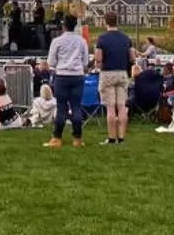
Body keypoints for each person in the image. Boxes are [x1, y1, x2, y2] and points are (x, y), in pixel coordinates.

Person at [44, 16, 89, 149]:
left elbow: (51, 62)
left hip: (62, 76)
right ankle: (77, 138)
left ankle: (57, 137)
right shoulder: (81, 41)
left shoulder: (57, 41)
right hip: (77, 76)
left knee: (61, 107)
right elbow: (85, 62)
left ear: (63, 25)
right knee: (76, 107)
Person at [93, 11, 134, 146]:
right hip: (122, 73)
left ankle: (111, 137)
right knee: (121, 106)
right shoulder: (126, 38)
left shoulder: (102, 39)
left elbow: (98, 59)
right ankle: (121, 138)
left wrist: (98, 63)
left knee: (110, 107)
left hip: (108, 73)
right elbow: (132, 58)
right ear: (117, 21)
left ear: (106, 22)